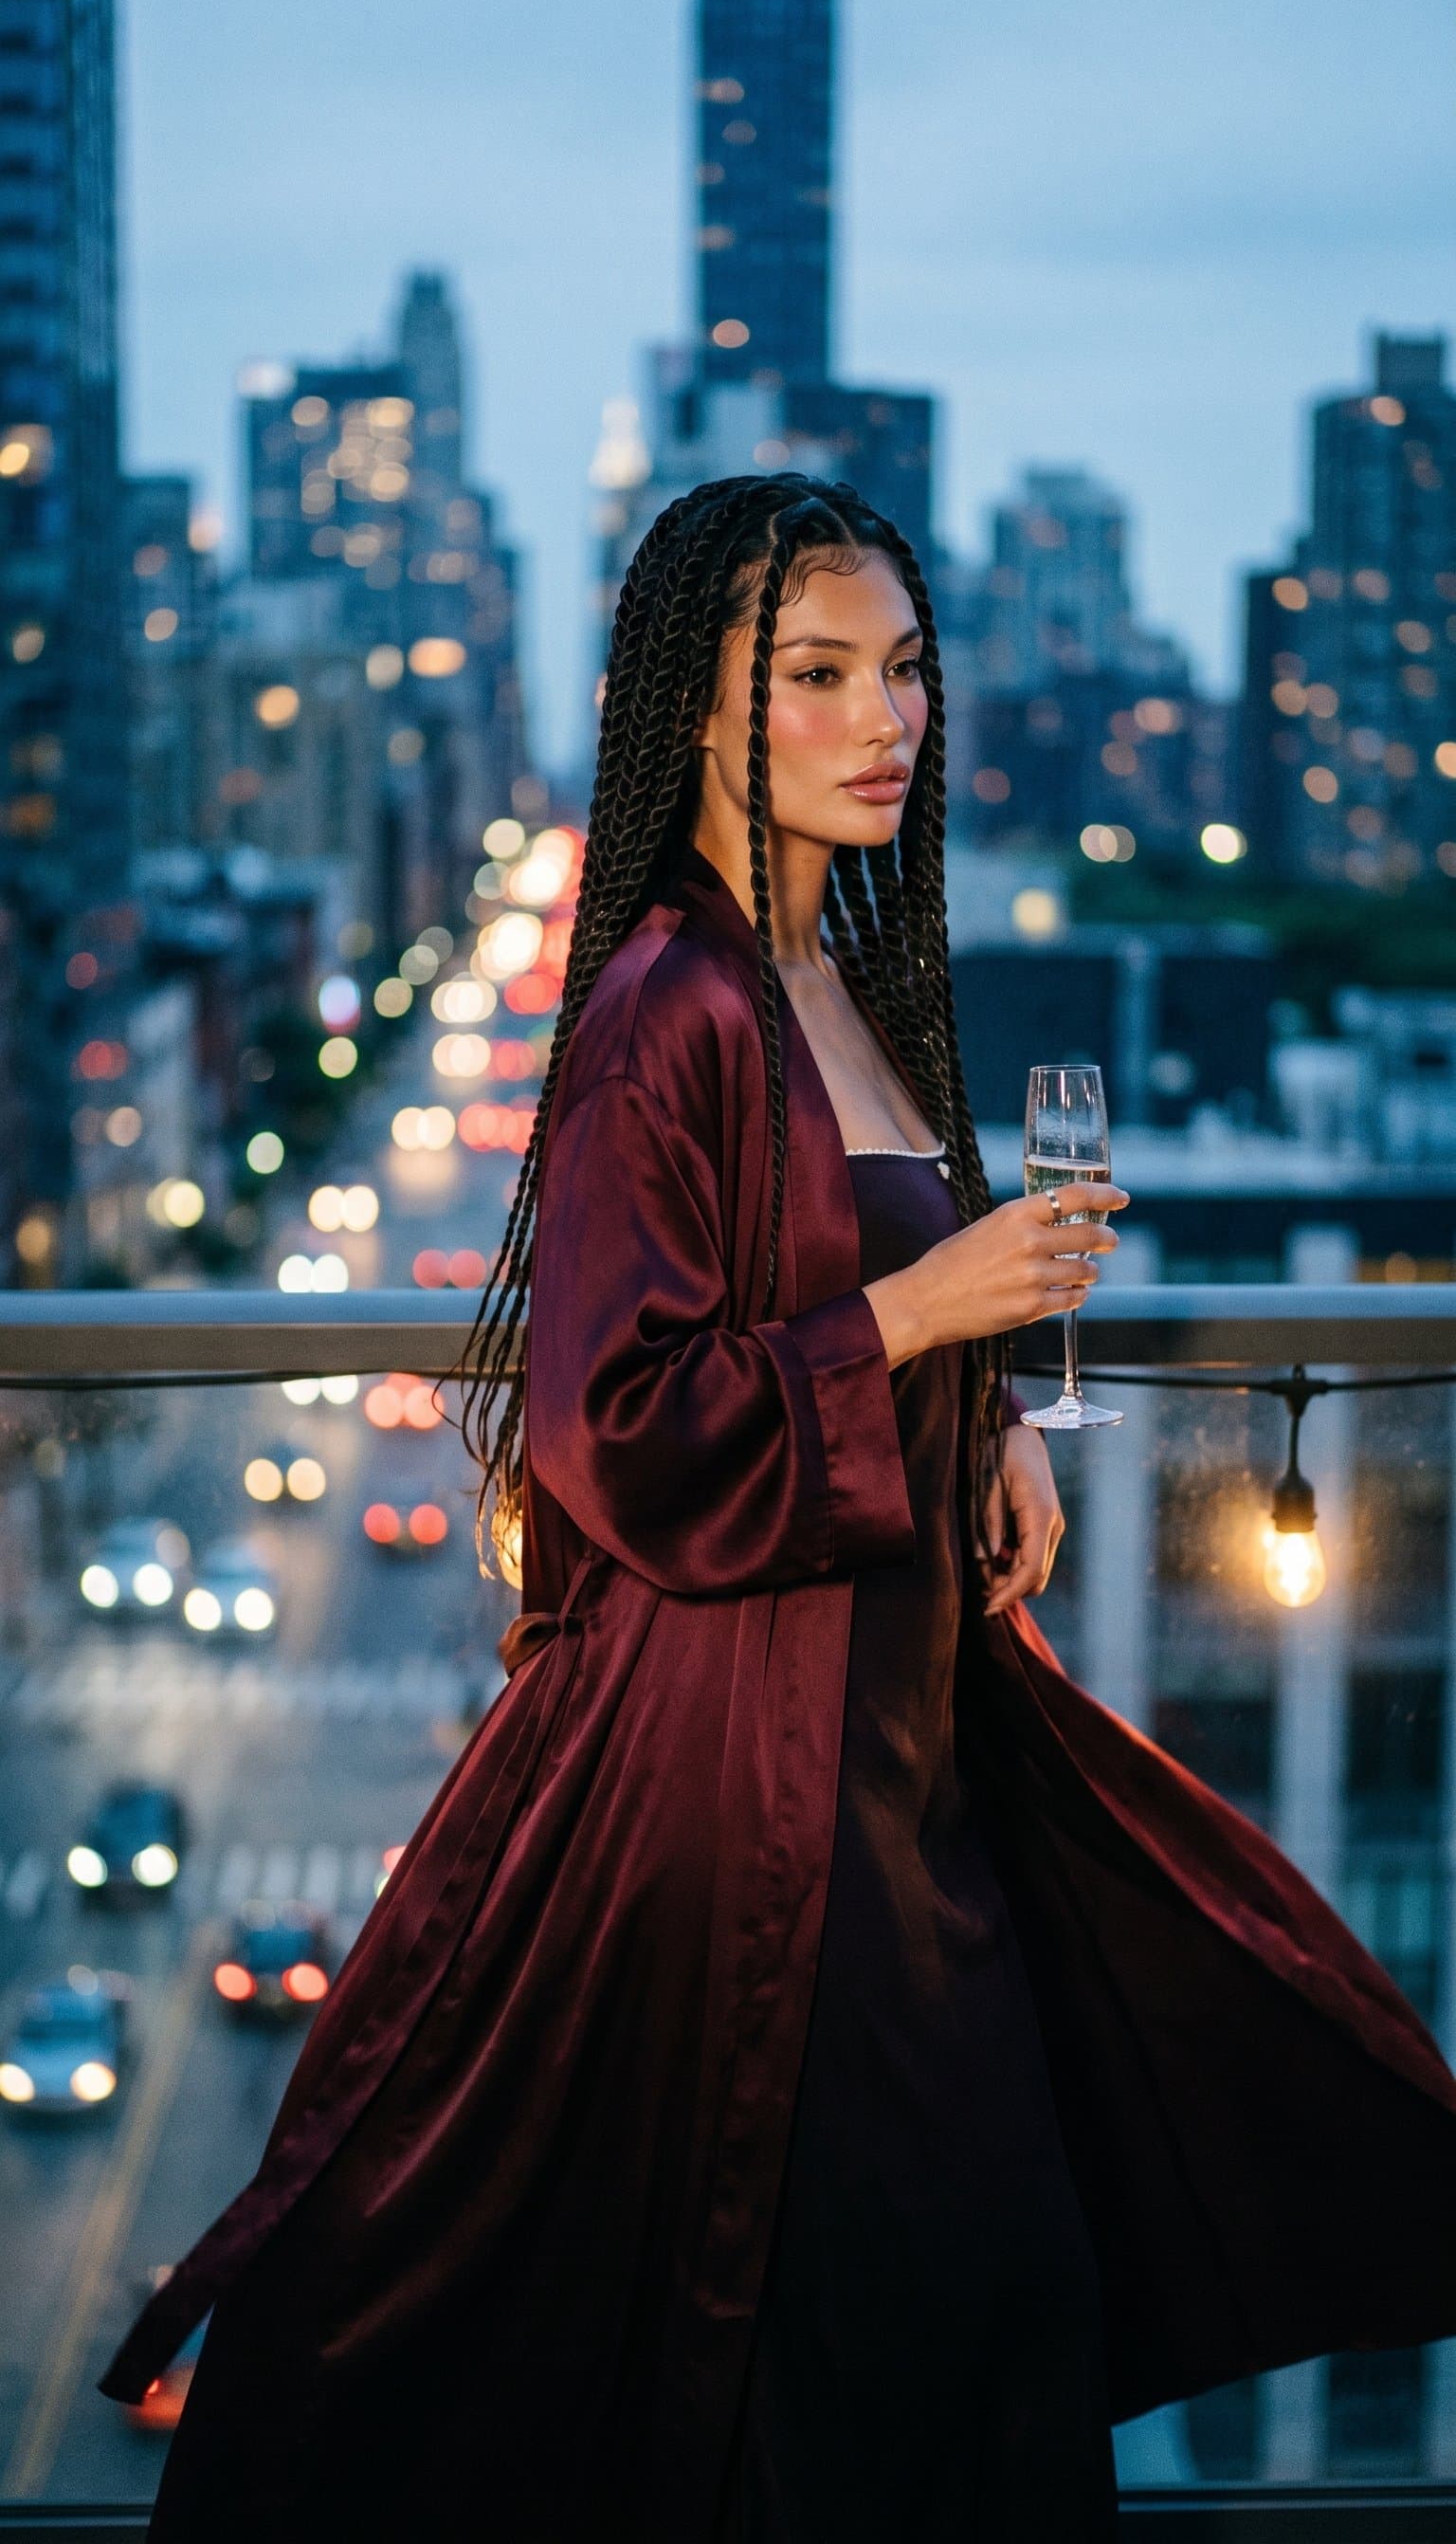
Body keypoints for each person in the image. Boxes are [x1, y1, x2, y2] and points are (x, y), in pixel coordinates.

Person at [102, 476, 1456, 2542]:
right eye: (814, 675)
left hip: (892, 1738)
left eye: (901, 664)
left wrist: (974, 1412)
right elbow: (620, 1425)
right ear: (698, 712)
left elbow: (821, 1304)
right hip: (756, 1776)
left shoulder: (842, 976)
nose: (881, 715)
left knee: (950, 2285)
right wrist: (925, 1310)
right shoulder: (673, 1009)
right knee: (866, 2301)